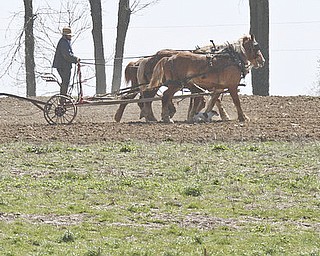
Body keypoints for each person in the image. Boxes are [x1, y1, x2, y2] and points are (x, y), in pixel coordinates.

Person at [52, 27, 80, 96]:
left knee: (66, 82)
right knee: (65, 82)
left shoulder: (65, 42)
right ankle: (63, 97)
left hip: (64, 65)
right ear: (65, 35)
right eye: (69, 35)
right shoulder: (63, 43)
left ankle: (64, 96)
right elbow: (67, 55)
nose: (70, 36)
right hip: (63, 66)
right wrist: (76, 59)